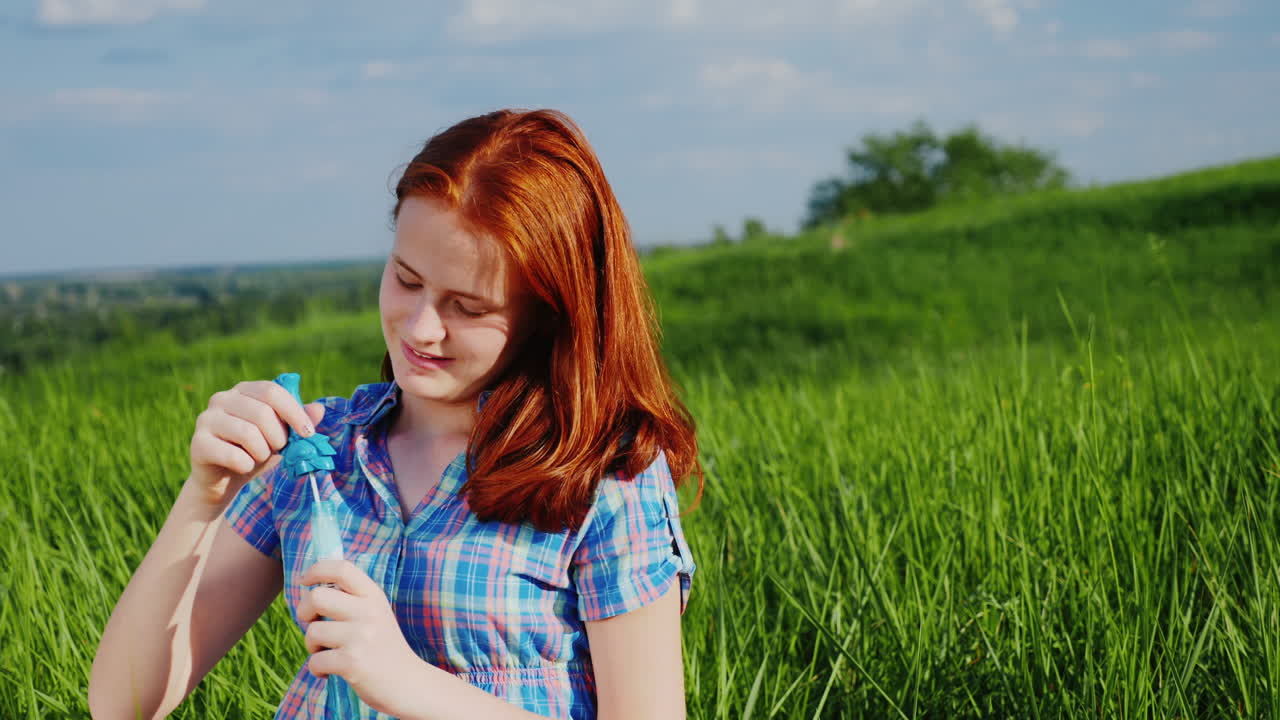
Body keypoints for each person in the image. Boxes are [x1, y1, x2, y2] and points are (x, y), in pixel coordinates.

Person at [88, 109, 702, 719]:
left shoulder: (604, 478)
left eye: (467, 306)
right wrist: (204, 496)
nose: (420, 328)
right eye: (407, 280)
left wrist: (407, 681)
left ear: (549, 316)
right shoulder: (320, 451)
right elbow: (123, 704)